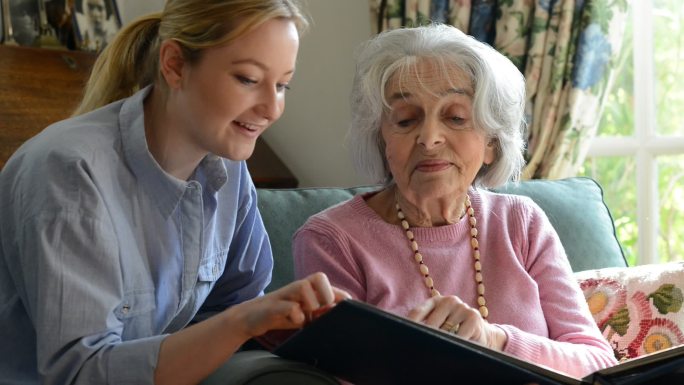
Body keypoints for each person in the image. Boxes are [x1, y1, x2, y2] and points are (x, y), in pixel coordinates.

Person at [0, 1, 349, 384]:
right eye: (248, 79)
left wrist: (335, 332)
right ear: (175, 65)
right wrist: (242, 322)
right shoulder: (69, 172)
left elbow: (240, 309)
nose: (271, 108)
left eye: (282, 85)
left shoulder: (228, 170)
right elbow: (80, 374)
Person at [292, 24, 618, 379]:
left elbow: (597, 363)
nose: (430, 138)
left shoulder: (521, 223)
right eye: (405, 119)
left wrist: (495, 340)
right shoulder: (332, 239)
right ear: (382, 140)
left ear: (492, 143)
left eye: (456, 117)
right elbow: (339, 375)